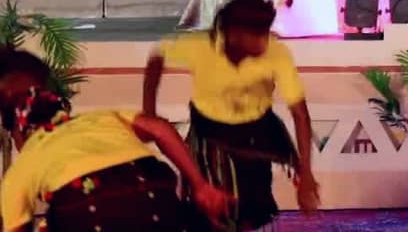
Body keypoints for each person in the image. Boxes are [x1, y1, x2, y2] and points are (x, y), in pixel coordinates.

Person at [0, 50, 234, 231]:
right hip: (154, 192)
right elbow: (160, 129)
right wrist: (200, 185)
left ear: (17, 132)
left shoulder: (23, 166)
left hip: (86, 208)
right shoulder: (103, 119)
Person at [142, 0, 320, 231]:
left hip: (257, 133)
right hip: (209, 135)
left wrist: (306, 173)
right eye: (256, 34)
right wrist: (149, 112)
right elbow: (157, 56)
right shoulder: (199, 45)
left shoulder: (277, 53)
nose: (264, 41)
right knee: (212, 209)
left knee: (252, 211)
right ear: (233, 32)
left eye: (265, 32)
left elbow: (300, 114)